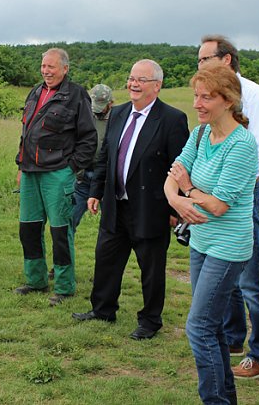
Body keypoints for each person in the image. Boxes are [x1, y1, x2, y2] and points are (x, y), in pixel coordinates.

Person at [72, 60, 189, 340]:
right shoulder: (119, 113)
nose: (133, 84)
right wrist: (95, 191)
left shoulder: (172, 119)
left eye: (142, 80)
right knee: (106, 259)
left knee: (151, 268)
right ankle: (103, 309)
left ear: (157, 86)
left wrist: (177, 206)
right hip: (116, 202)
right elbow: (105, 157)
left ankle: (149, 321)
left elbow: (180, 165)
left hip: (151, 207)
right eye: (131, 78)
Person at [164, 62, 258, 405]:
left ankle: (215, 400)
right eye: (195, 96)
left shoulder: (242, 145)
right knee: (212, 326)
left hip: (228, 246)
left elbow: (219, 206)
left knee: (199, 326)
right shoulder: (201, 134)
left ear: (228, 100)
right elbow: (173, 173)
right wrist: (176, 197)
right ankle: (225, 399)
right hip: (201, 241)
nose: (197, 104)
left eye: (206, 97)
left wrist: (187, 190)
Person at [198, 34, 259, 378]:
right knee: (222, 272)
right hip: (214, 194)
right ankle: (231, 339)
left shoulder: (253, 95)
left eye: (204, 59)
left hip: (242, 195)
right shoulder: (206, 108)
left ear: (225, 60)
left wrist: (229, 188)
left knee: (250, 277)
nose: (199, 65)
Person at [15, 47, 97, 305]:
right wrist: (21, 165)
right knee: (28, 228)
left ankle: (64, 286)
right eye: (43, 66)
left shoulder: (76, 95)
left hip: (57, 173)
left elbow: (89, 138)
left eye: (51, 67)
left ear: (65, 68)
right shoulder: (35, 92)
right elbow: (26, 133)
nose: (46, 71)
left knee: (61, 231)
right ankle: (36, 280)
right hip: (30, 172)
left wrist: (71, 168)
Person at [71, 83, 114, 230]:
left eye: (101, 105)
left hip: (106, 181)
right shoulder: (84, 115)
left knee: (111, 225)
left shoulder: (117, 119)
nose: (97, 109)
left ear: (110, 103)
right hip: (82, 178)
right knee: (69, 220)